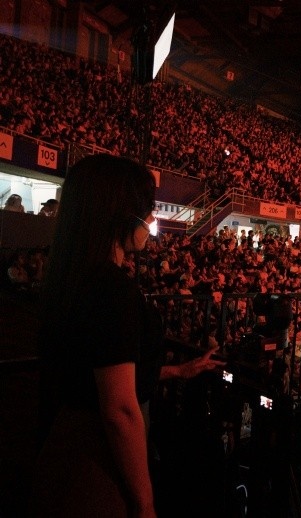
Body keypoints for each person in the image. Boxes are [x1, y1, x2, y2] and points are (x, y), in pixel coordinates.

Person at [30, 154, 223, 518]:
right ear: (121, 215)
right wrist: (144, 502)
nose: (152, 220)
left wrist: (178, 371)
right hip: (96, 470)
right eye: (147, 210)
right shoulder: (111, 290)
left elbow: (103, 370)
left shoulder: (72, 279)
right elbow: (119, 409)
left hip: (61, 455)